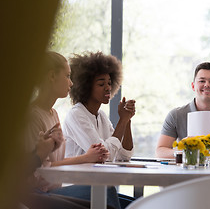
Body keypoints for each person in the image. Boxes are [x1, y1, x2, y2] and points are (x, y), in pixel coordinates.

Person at [26, 51, 121, 209]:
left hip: (53, 189)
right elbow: (38, 169)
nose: (71, 83)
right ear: (52, 76)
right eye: (67, 76)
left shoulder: (53, 114)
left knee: (122, 200)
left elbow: (54, 162)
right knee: (107, 194)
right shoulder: (32, 117)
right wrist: (86, 157)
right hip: (38, 194)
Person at [63, 52, 136, 208]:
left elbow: (124, 155)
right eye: (101, 84)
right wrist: (122, 121)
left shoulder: (101, 116)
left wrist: (127, 120)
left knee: (137, 204)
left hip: (97, 186)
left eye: (109, 83)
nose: (108, 88)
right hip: (75, 186)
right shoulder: (77, 115)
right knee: (110, 193)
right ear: (86, 86)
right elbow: (104, 156)